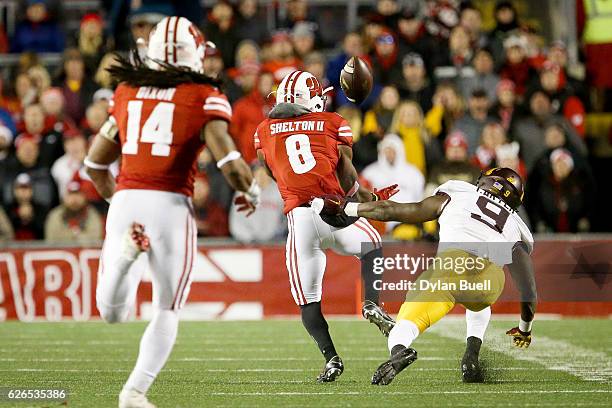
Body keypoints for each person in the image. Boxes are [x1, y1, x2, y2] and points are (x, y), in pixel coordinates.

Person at [83, 17, 258, 408]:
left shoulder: (127, 91)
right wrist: (252, 189)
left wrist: (120, 203)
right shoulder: (201, 94)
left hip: (127, 198)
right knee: (167, 307)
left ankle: (127, 258)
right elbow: (230, 165)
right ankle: (134, 392)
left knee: (111, 314)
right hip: (169, 206)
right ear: (193, 52)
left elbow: (94, 166)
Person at [312, 167, 537, 385]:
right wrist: (524, 330)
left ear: (484, 181)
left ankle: (398, 351)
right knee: (479, 302)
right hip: (487, 281)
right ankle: (471, 358)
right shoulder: (515, 225)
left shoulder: (457, 193)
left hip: (448, 268)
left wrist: (349, 209)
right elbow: (528, 290)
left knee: (407, 321)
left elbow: (392, 210)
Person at [254, 70, 397, 382]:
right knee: (372, 246)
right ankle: (372, 303)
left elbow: (274, 170)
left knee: (308, 299)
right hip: (337, 212)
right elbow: (348, 179)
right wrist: (368, 199)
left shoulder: (264, 130)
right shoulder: (333, 122)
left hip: (301, 222)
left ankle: (331, 358)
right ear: (312, 99)